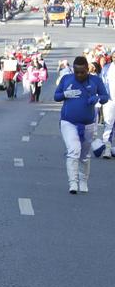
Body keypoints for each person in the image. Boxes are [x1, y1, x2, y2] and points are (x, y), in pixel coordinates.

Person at [54, 56, 109, 194]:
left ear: (87, 69)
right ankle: (73, 183)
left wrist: (97, 98)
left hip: (88, 124)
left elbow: (105, 97)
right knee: (74, 150)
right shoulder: (66, 79)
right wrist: (65, 94)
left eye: (82, 72)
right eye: (77, 72)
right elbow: (56, 96)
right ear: (73, 69)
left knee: (84, 155)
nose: (79, 75)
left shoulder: (95, 80)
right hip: (68, 122)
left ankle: (83, 180)